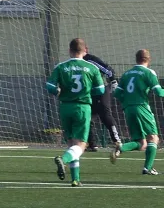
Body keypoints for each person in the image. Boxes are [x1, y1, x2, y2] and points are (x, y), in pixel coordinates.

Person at [46, 38, 105, 187]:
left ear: (69, 51)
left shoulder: (61, 67)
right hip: (82, 107)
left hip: (65, 107)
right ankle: (63, 160)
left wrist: (57, 90)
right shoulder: (92, 68)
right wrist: (89, 90)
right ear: (85, 51)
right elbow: (101, 90)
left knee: (72, 143)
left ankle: (75, 179)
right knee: (81, 145)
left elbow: (49, 85)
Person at [110, 49, 164, 175]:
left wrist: (126, 104)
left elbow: (117, 93)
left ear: (136, 59)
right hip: (142, 107)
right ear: (149, 60)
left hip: (128, 109)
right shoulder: (149, 72)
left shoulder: (127, 73)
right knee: (153, 138)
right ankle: (147, 168)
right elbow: (159, 93)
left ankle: (121, 148)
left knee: (142, 143)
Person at [83, 46, 121, 151]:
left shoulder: (90, 60)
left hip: (100, 92)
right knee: (87, 118)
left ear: (85, 50)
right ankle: (92, 145)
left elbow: (108, 70)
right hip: (88, 94)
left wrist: (113, 81)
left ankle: (117, 141)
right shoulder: (75, 63)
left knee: (105, 115)